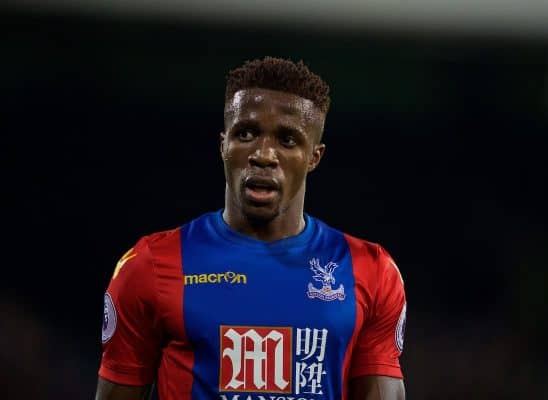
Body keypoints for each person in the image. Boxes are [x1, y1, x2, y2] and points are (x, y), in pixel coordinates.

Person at [95, 56, 407, 400]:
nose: (263, 154)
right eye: (246, 133)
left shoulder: (370, 270)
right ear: (223, 145)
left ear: (314, 157)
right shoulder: (151, 265)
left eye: (287, 140)